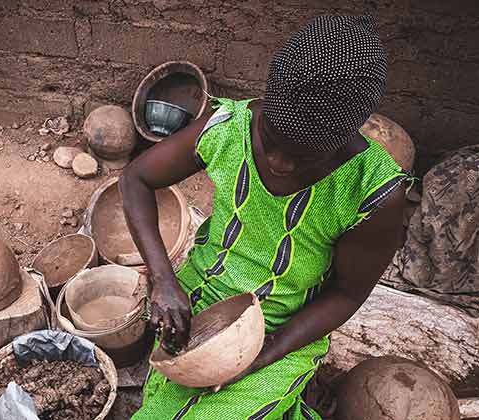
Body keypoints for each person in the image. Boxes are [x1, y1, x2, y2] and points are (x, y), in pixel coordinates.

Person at [121, 15, 408, 420]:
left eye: (303, 155)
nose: (278, 163)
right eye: (270, 139)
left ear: (345, 136)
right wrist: (165, 281)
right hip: (200, 303)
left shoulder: (371, 192)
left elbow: (345, 295)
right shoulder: (231, 127)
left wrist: (263, 354)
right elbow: (136, 178)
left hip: (284, 332)